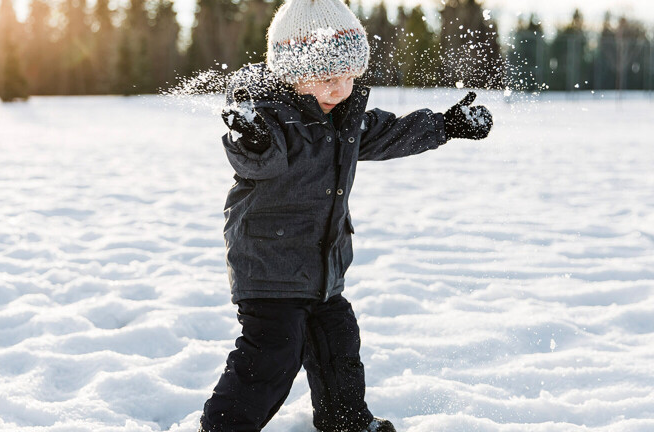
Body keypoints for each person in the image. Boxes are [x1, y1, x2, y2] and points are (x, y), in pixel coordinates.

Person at [199, 0, 493, 431]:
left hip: (322, 268)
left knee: (338, 343)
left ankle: (347, 422)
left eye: (350, 78)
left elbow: (392, 133)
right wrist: (250, 136)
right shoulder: (268, 118)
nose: (340, 89)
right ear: (292, 74)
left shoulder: (344, 120)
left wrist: (446, 125)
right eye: (327, 78)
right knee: (274, 353)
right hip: (270, 268)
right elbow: (255, 160)